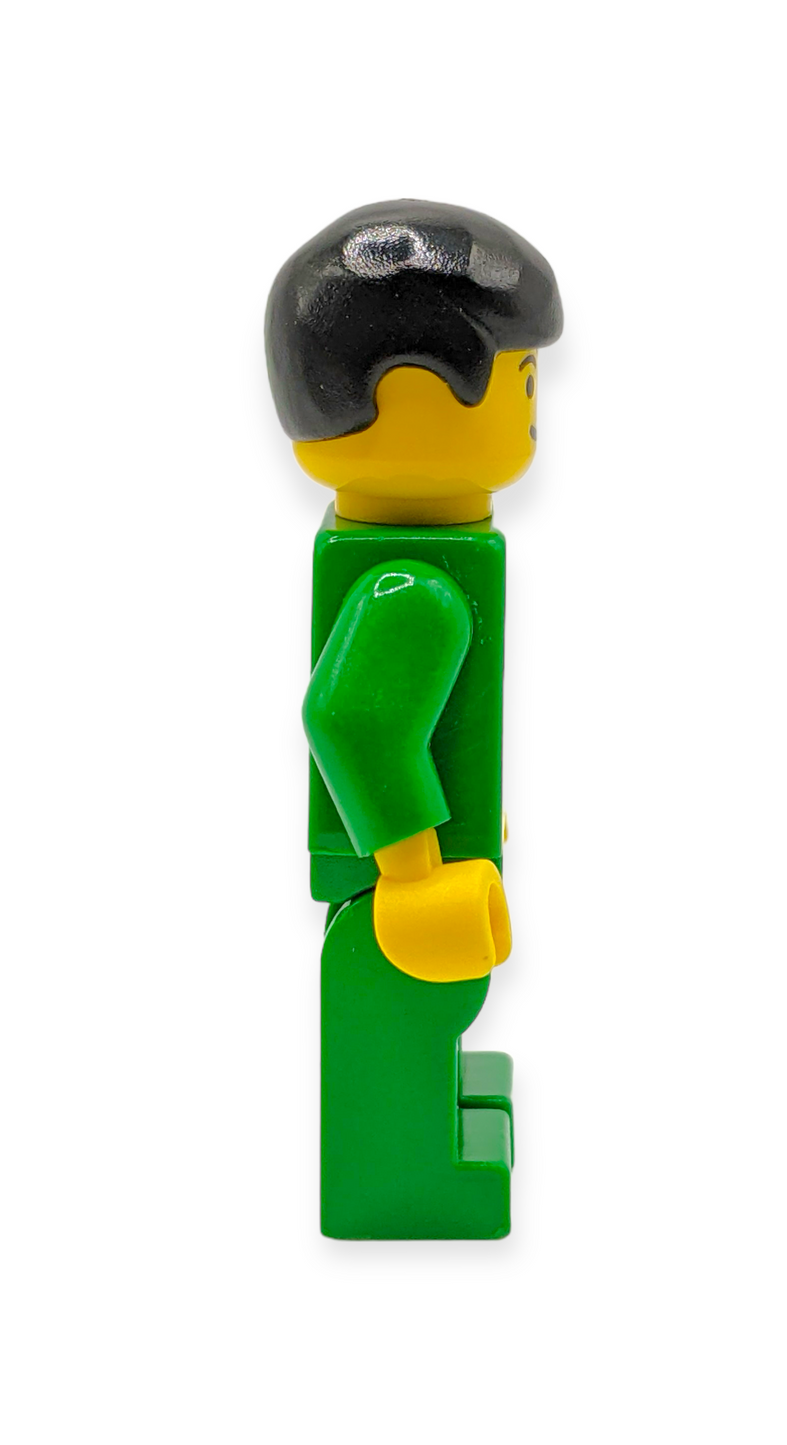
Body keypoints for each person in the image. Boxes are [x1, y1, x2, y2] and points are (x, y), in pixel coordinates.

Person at [267, 200, 562, 1239]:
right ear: (412, 390)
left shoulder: (424, 561)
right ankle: (411, 1189)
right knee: (398, 1039)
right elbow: (351, 720)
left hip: (411, 869)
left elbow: (416, 722)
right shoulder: (418, 590)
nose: (533, 403)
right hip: (392, 898)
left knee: (423, 1034)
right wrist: (411, 870)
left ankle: (429, 1155)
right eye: (520, 378)